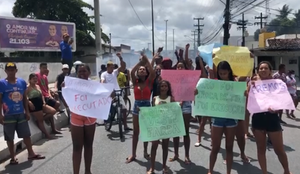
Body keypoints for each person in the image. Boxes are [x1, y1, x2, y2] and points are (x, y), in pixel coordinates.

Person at [247, 61, 291, 174]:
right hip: (258, 118)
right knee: (261, 149)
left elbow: (282, 99)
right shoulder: (253, 84)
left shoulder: (277, 83)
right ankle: (264, 172)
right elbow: (249, 100)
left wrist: (277, 109)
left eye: (265, 68)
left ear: (270, 71)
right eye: (261, 68)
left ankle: (286, 171)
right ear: (258, 71)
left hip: (272, 118)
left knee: (279, 149)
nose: (263, 70)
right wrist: (248, 90)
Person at [0, 62, 45, 165]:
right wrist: (0, 115)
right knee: (9, 137)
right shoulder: (2, 83)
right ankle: (13, 157)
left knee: (26, 135)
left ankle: (31, 153)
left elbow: (25, 98)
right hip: (8, 114)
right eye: (9, 70)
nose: (11, 72)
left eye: (13, 70)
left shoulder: (21, 82)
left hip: (21, 113)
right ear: (6, 71)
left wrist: (27, 111)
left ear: (16, 70)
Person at [62, 64, 96, 174]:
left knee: (88, 145)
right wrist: (64, 90)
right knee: (77, 146)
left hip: (90, 117)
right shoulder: (72, 85)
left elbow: (103, 96)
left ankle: (88, 171)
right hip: (76, 117)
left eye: (84, 71)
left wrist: (110, 94)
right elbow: (66, 99)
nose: (81, 74)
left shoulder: (94, 85)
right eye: (79, 72)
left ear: (89, 72)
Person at [206, 61, 238, 174]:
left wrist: (244, 94)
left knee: (229, 147)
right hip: (217, 117)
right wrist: (197, 93)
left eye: (224, 73)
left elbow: (240, 97)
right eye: (220, 73)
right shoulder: (215, 83)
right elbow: (206, 94)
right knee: (215, 147)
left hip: (231, 117)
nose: (223, 75)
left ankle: (228, 171)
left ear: (229, 71)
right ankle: (210, 170)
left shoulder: (235, 83)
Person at [126, 54, 155, 163]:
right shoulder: (135, 81)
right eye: (140, 70)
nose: (142, 71)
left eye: (144, 70)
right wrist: (140, 63)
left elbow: (152, 72)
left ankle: (145, 151)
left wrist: (147, 60)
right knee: (136, 132)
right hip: (136, 108)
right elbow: (132, 72)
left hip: (147, 107)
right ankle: (133, 154)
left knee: (146, 132)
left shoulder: (149, 82)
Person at [148, 80, 174, 174]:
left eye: (165, 86)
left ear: (168, 88)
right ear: (159, 88)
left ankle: (164, 166)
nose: (163, 88)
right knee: (154, 146)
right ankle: (152, 167)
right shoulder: (155, 98)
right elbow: (152, 112)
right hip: (156, 125)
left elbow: (174, 111)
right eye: (162, 86)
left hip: (166, 126)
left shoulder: (171, 99)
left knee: (165, 146)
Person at [101, 53, 131, 131]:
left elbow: (123, 67)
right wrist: (103, 84)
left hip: (117, 92)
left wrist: (120, 58)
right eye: (110, 67)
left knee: (124, 109)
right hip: (109, 94)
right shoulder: (103, 74)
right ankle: (107, 119)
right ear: (107, 67)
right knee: (108, 108)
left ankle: (125, 125)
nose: (112, 68)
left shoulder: (115, 72)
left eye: (113, 67)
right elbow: (102, 80)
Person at [27, 73, 59, 139]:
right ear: (30, 80)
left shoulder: (37, 86)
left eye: (36, 78)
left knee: (53, 111)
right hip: (35, 106)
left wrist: (44, 102)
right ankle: (47, 135)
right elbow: (25, 97)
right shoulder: (27, 87)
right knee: (41, 121)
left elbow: (41, 95)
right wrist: (29, 102)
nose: (35, 80)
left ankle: (41, 119)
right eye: (33, 79)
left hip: (41, 104)